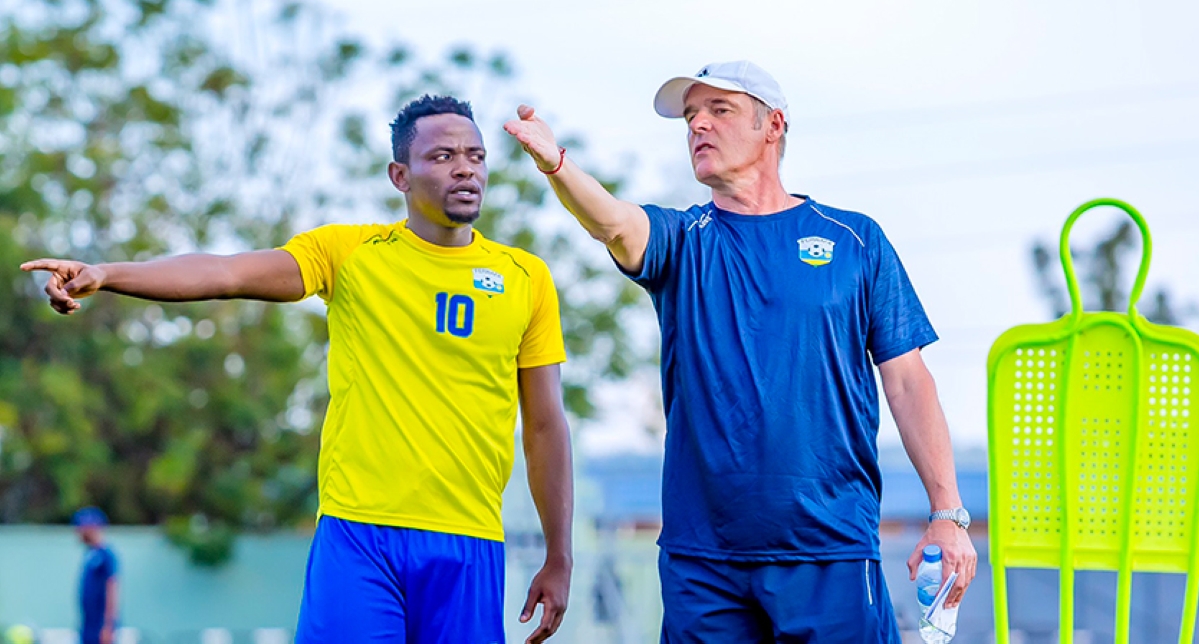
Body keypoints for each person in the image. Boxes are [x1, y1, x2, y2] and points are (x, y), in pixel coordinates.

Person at [23, 95, 573, 644]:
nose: (464, 169)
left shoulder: (526, 278)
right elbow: (225, 272)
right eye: (443, 156)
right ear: (399, 175)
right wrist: (108, 273)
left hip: (468, 543)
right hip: (359, 536)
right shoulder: (350, 254)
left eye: (475, 156)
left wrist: (559, 555)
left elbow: (545, 427)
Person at [504, 61, 978, 642]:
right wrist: (558, 165)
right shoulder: (682, 241)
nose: (698, 125)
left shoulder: (856, 241)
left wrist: (947, 514)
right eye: (690, 116)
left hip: (829, 549)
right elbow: (614, 224)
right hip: (703, 563)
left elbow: (909, 383)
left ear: (772, 125)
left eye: (718, 110)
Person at [73, 506, 119, 644]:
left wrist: (108, 626)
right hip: (88, 625)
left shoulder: (106, 555)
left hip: (100, 627)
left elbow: (112, 589)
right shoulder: (90, 554)